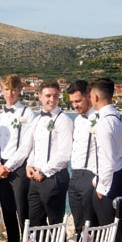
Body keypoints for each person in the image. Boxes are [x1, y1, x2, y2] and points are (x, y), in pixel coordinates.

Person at [0, 74, 36, 242]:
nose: (10, 94)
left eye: (13, 90)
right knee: (8, 212)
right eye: (6, 90)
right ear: (2, 91)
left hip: (19, 169)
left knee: (23, 213)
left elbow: (26, 146)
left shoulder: (28, 114)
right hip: (2, 168)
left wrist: (9, 166)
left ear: (19, 90)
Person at [87, 78, 122, 242]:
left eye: (90, 96)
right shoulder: (120, 119)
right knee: (116, 231)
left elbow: (107, 160)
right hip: (121, 178)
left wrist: (101, 186)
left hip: (109, 183)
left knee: (107, 234)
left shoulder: (105, 123)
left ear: (96, 97)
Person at [25, 80, 73, 227]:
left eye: (55, 96)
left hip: (55, 178)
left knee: (55, 221)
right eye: (48, 96)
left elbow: (64, 154)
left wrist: (44, 171)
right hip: (36, 177)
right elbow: (34, 146)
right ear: (40, 96)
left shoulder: (64, 120)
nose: (52, 99)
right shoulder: (37, 119)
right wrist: (29, 164)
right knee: (34, 220)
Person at [67, 80, 98, 242]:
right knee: (78, 223)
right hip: (75, 176)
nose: (75, 105)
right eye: (72, 102)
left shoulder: (99, 118)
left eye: (78, 101)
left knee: (89, 223)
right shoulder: (77, 121)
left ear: (88, 96)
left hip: (90, 175)